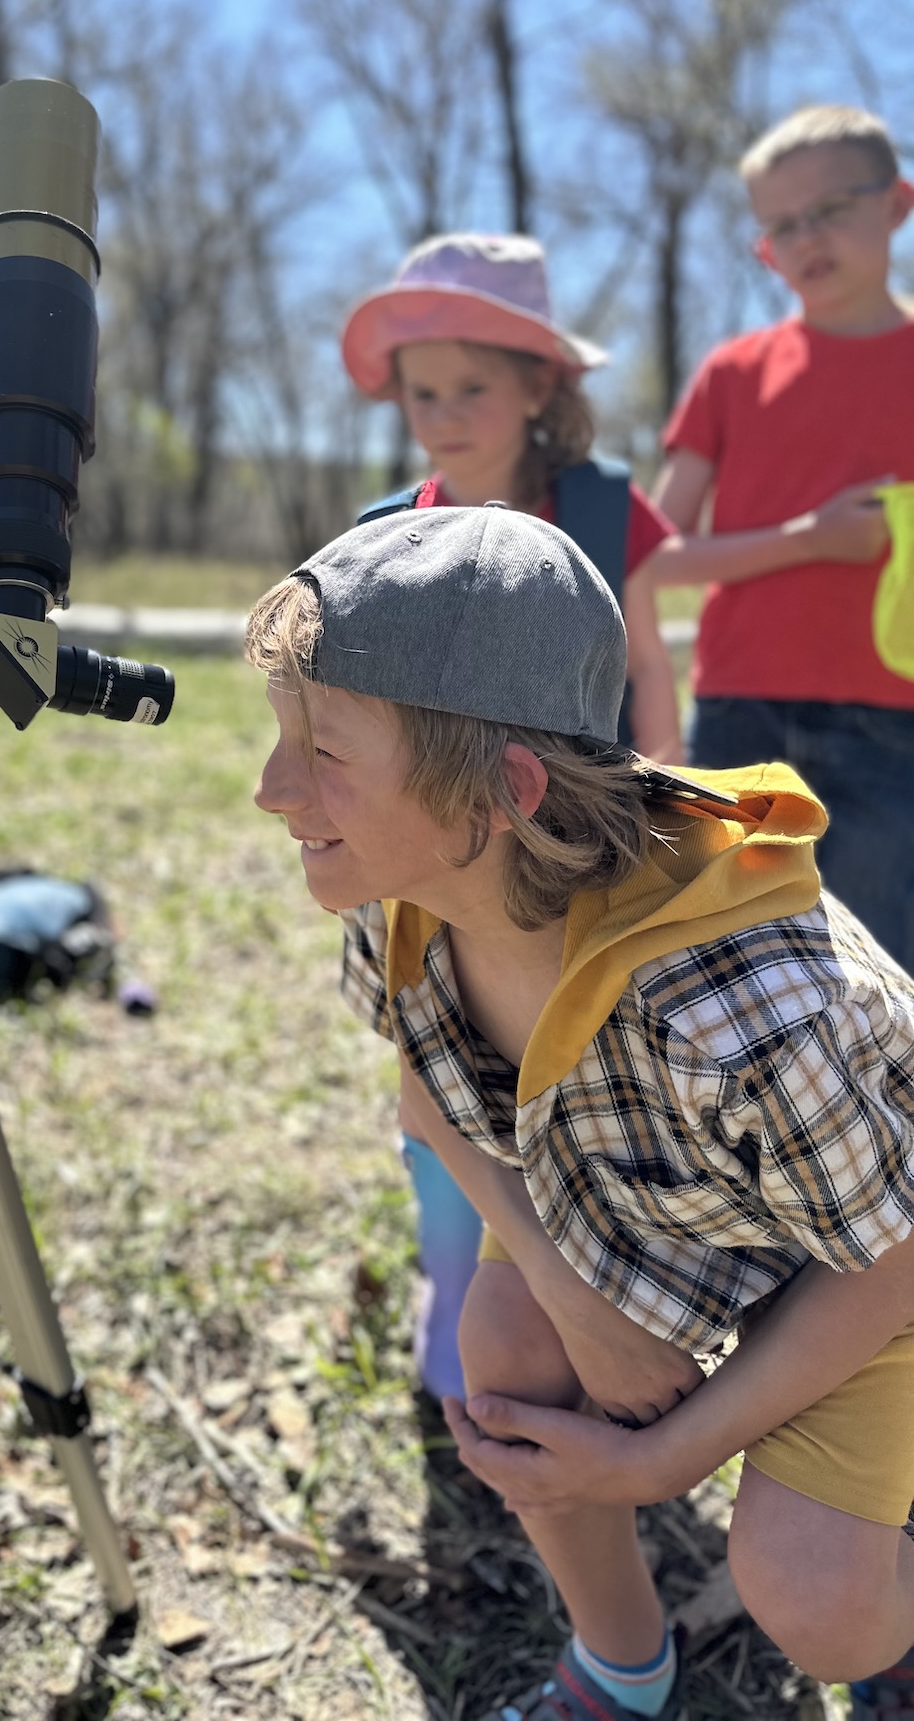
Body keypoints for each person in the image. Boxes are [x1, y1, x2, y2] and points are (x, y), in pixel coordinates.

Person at [247, 506, 914, 1721]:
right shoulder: (400, 888)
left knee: (821, 1604)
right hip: (662, 1199)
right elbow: (429, 1084)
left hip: (860, 1245)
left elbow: (889, 1254)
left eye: (325, 748)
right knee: (506, 1356)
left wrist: (668, 1453)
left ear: (507, 789)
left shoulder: (737, 999)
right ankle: (621, 1663)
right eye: (283, 734)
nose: (271, 789)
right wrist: (573, 1299)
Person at [340, 234, 683, 1403]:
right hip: (437, 854)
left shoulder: (601, 507)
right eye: (422, 393)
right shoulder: (393, 526)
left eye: (471, 388)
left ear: (540, 386)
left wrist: (666, 790)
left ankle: (582, 1297)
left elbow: (647, 658)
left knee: (586, 1075)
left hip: (586, 844)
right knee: (438, 1072)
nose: (442, 416)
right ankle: (455, 1283)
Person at [652, 103, 914, 966]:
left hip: (896, 720)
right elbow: (656, 557)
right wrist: (809, 539)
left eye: (831, 208)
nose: (807, 239)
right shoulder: (732, 374)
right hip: (740, 715)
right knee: (727, 961)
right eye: (782, 225)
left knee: (879, 972)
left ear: (897, 204)